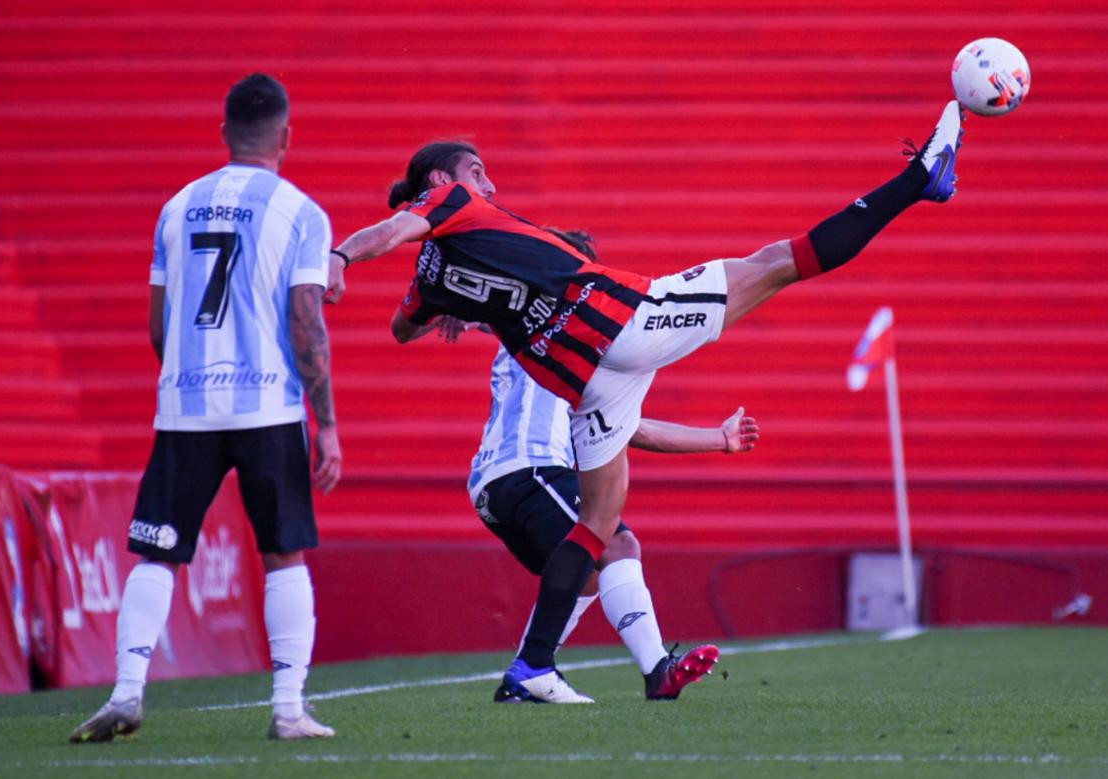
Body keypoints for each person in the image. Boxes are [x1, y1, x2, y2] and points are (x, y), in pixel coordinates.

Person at [328, 101, 965, 702]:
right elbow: (396, 227)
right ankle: (918, 179)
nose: (487, 183)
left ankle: (535, 666)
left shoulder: (431, 274)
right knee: (777, 261)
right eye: (476, 170)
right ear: (440, 180)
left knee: (601, 529)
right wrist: (341, 255)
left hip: (584, 378)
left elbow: (402, 328)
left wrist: (450, 309)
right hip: (620, 324)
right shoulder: (450, 199)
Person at [70, 73, 344, 742]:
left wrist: (188, 376)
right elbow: (307, 321)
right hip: (267, 405)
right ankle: (287, 709)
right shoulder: (301, 212)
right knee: (283, 554)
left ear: (223, 134)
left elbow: (160, 327)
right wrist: (327, 421)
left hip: (185, 407)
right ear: (286, 135)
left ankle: (127, 692)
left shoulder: (176, 207)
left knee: (157, 553)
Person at [406, 304, 758, 703]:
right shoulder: (541, 324)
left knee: (586, 570)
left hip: (497, 484)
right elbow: (481, 308)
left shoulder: (574, 354)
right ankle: (654, 670)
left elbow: (632, 429)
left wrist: (719, 439)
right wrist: (456, 306)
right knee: (616, 544)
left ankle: (526, 674)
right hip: (528, 468)